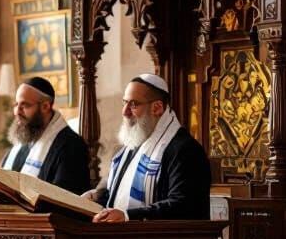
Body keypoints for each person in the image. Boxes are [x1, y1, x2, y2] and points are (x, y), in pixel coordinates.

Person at [88, 73, 211, 222]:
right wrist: (93, 198)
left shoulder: (185, 150)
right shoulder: (132, 147)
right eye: (124, 102)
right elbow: (117, 196)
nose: (125, 112)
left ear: (157, 108)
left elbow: (184, 205)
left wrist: (127, 216)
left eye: (133, 104)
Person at [0, 77, 91, 194]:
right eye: (16, 104)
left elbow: (65, 198)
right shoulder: (24, 139)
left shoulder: (71, 145)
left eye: (25, 105)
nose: (17, 111)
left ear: (45, 106)